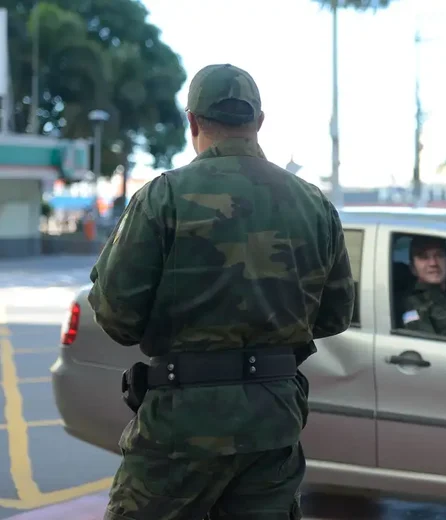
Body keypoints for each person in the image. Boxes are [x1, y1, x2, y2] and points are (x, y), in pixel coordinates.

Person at [88, 63, 355, 520]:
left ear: (192, 122)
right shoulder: (313, 203)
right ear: (259, 122)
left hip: (181, 425)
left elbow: (117, 317)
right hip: (273, 421)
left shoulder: (163, 197)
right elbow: (334, 316)